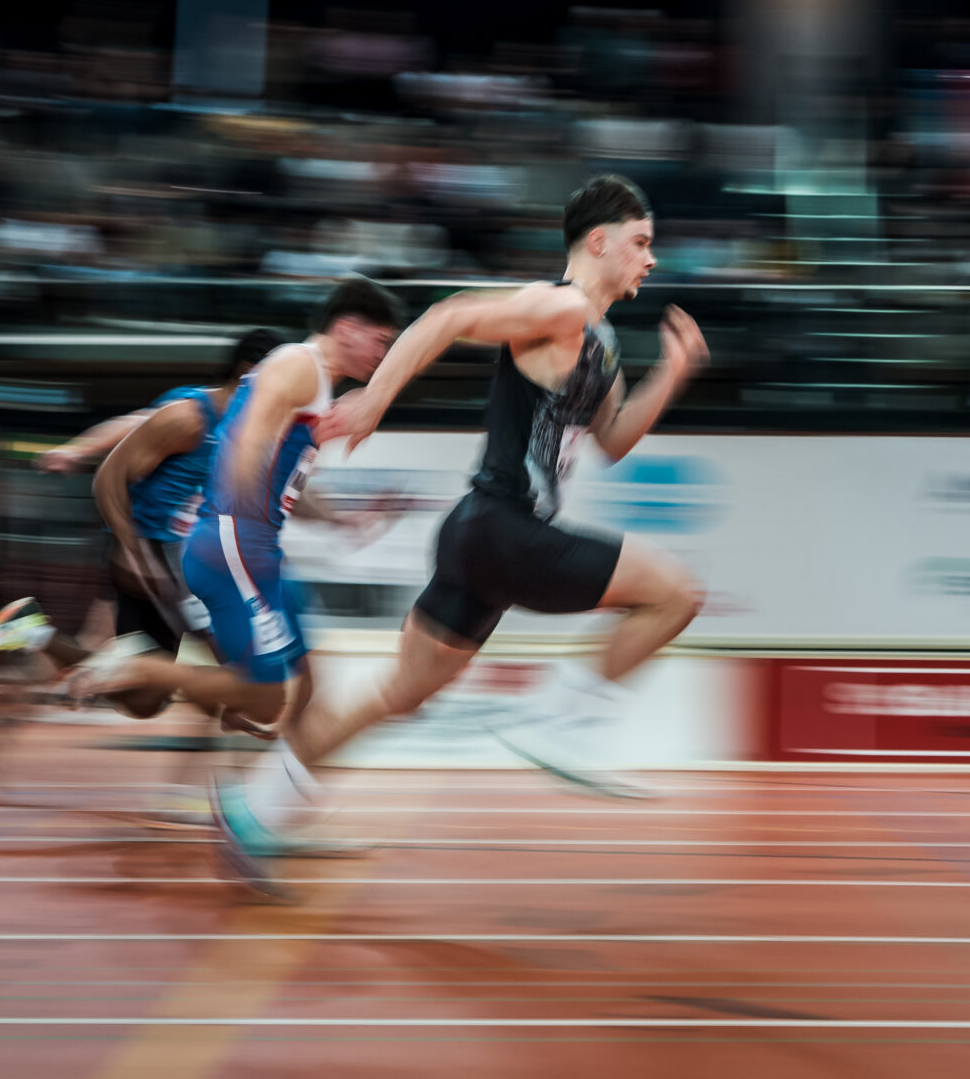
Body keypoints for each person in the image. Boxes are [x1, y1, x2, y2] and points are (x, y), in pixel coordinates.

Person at [215, 177, 706, 872]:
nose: (651, 259)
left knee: (399, 693)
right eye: (641, 243)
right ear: (599, 242)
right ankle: (563, 719)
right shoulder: (560, 306)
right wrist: (374, 400)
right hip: (503, 528)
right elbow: (447, 317)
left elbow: (615, 439)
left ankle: (255, 806)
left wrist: (674, 373)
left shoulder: (599, 342)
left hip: (481, 538)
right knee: (676, 594)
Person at [57, 282, 404, 856]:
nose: (382, 356)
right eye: (381, 341)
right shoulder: (298, 364)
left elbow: (281, 469)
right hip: (238, 545)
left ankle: (277, 814)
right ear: (347, 328)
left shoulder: (313, 381)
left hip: (254, 546)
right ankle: (140, 671)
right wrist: (242, 519)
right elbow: (245, 440)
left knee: (314, 687)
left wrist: (345, 519)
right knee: (264, 700)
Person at [0, 328, 286, 702]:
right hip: (149, 548)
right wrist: (79, 451)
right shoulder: (191, 417)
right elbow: (127, 428)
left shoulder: (252, 428)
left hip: (183, 556)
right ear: (247, 372)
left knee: (143, 700)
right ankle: (236, 702)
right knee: (221, 657)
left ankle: (31, 631)